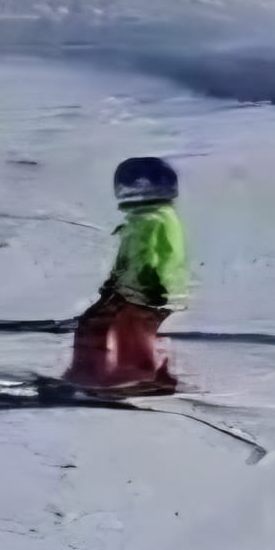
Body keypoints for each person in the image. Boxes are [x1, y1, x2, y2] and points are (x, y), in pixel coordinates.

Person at [63, 156, 188, 394]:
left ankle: (138, 373)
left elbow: (147, 259)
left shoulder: (150, 220)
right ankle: (90, 369)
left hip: (147, 291)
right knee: (98, 322)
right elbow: (132, 259)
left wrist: (140, 288)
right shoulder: (152, 217)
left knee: (129, 328)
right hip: (139, 288)